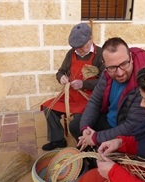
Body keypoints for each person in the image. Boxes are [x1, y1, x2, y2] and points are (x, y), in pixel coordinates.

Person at [75, 37, 145, 152]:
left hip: (126, 131)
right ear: (105, 65)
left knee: (100, 150)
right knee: (77, 125)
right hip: (109, 120)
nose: (119, 73)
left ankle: (97, 158)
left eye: (124, 64)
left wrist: (96, 137)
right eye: (112, 67)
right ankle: (90, 154)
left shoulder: (142, 83)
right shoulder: (106, 75)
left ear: (131, 58)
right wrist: (85, 128)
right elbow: (95, 101)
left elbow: (131, 126)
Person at [41, 23, 104, 151]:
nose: (78, 50)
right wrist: (61, 77)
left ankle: (84, 147)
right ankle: (58, 139)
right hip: (70, 96)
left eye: (81, 46)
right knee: (49, 109)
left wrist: (84, 84)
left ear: (90, 39)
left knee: (78, 123)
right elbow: (60, 71)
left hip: (90, 99)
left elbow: (105, 81)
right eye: (75, 47)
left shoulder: (101, 54)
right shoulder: (71, 53)